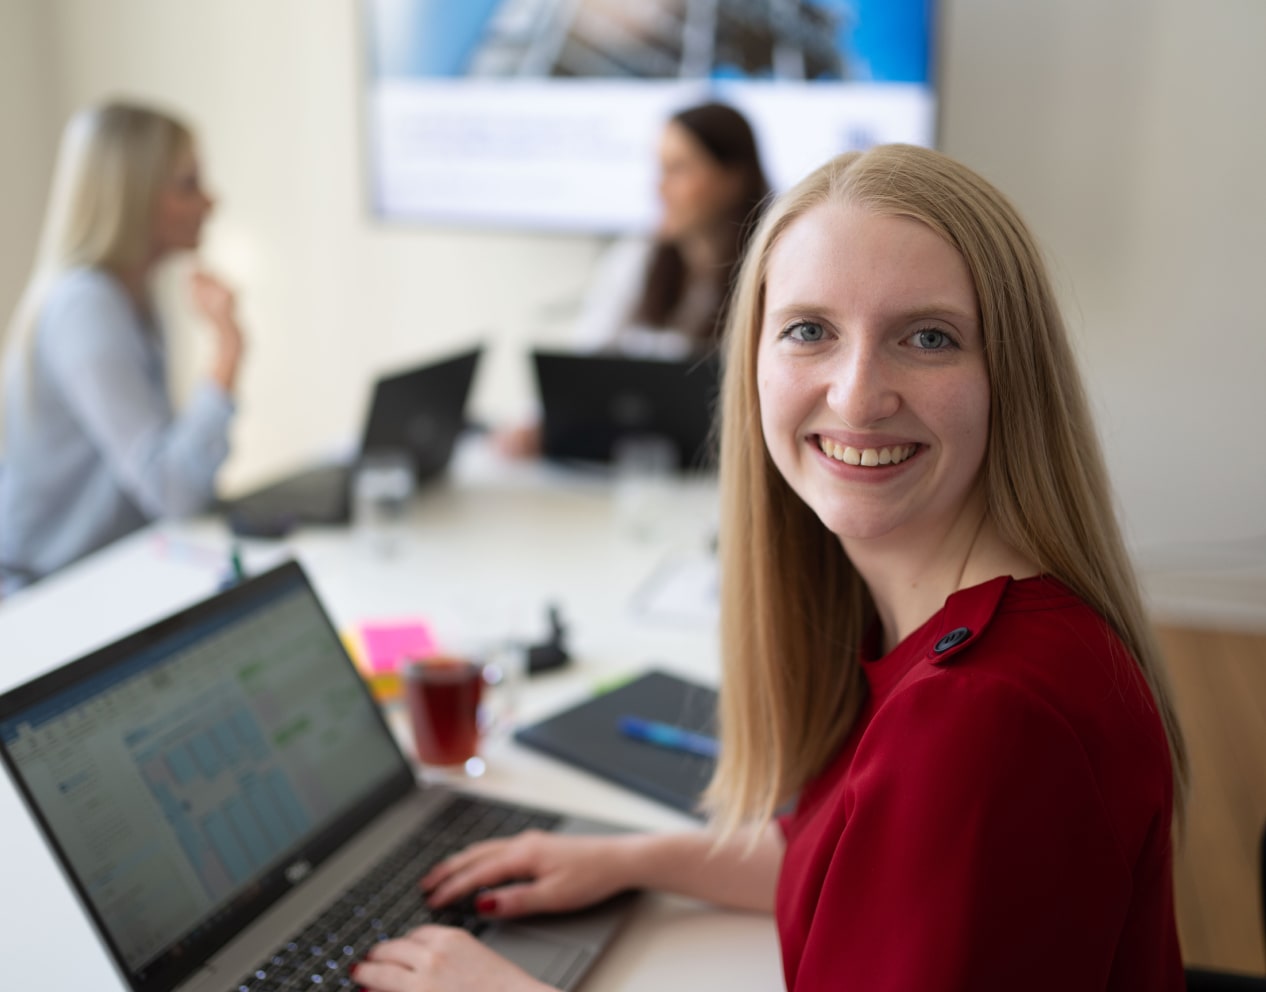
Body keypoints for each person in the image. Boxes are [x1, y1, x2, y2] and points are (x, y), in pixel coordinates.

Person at [351, 144, 1188, 991]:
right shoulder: (922, 618)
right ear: (751, 362)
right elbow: (856, 858)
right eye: (809, 331)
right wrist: (634, 859)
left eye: (929, 337)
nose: (858, 395)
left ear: (1011, 375)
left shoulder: (981, 714)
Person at [0, 100, 244, 590]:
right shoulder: (85, 307)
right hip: (48, 593)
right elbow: (174, 491)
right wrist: (227, 352)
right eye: (188, 185)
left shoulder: (133, 296)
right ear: (134, 196)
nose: (211, 202)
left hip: (114, 571)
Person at [495, 100, 770, 457]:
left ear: (734, 179)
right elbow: (585, 360)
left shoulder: (775, 267)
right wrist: (535, 423)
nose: (660, 188)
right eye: (660, 168)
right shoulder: (638, 257)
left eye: (679, 169)